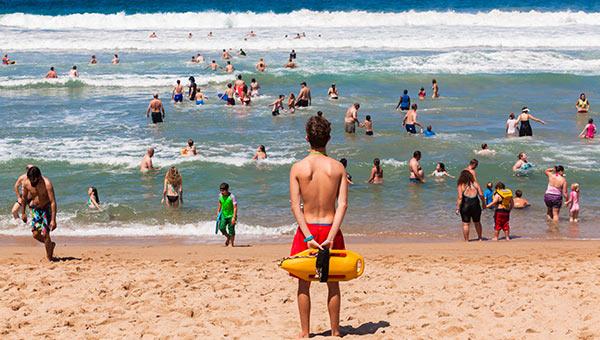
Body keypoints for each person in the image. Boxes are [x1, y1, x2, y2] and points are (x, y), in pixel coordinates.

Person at [289, 115, 347, 338]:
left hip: (307, 232)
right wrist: (331, 236)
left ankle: (305, 333)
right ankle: (335, 332)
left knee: (304, 285)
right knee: (333, 284)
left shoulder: (298, 168)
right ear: (329, 138)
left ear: (306, 138)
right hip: (331, 229)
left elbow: (296, 207)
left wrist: (307, 237)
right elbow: (342, 205)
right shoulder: (338, 168)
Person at [20, 166, 57, 261]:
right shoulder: (26, 183)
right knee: (36, 235)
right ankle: (50, 245)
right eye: (31, 180)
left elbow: (53, 202)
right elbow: (24, 198)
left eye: (35, 180)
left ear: (39, 176)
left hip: (46, 208)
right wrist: (23, 212)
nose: (33, 183)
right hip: (36, 210)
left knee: (45, 234)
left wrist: (53, 220)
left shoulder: (47, 184)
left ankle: (50, 258)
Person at [455, 170, 483, 241]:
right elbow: (481, 195)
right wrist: (484, 203)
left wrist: (457, 208)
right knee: (477, 222)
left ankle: (467, 240)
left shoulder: (461, 185)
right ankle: (480, 238)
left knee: (466, 224)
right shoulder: (475, 183)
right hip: (475, 205)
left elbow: (460, 197)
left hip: (465, 205)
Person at [216, 183, 237, 247]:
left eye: (223, 190)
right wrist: (218, 211)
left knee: (231, 229)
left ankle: (232, 244)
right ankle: (228, 237)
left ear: (227, 190)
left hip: (231, 215)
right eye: (221, 190)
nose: (221, 192)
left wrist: (234, 217)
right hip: (223, 215)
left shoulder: (232, 197)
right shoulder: (220, 195)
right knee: (221, 227)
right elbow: (220, 203)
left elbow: (235, 207)